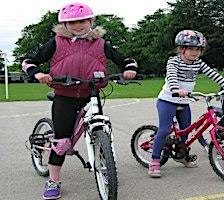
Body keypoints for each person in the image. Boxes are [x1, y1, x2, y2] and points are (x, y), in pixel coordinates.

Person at [21, 2, 138, 199]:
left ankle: (106, 167)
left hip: (91, 93)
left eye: (83, 20)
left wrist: (130, 69)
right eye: (72, 21)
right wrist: (38, 73)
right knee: (62, 141)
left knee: (101, 129)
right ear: (64, 24)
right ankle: (54, 180)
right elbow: (28, 61)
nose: (78, 25)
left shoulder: (101, 43)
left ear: (91, 21)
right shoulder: (56, 42)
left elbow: (125, 59)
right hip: (64, 96)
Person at [148, 30, 224, 178]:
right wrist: (176, 89)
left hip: (184, 101)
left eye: (198, 49)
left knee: (186, 129)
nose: (195, 53)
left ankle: (180, 155)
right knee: (164, 130)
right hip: (168, 100)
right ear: (182, 49)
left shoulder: (198, 63)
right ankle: (154, 161)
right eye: (191, 49)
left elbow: (213, 74)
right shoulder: (173, 61)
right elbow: (171, 76)